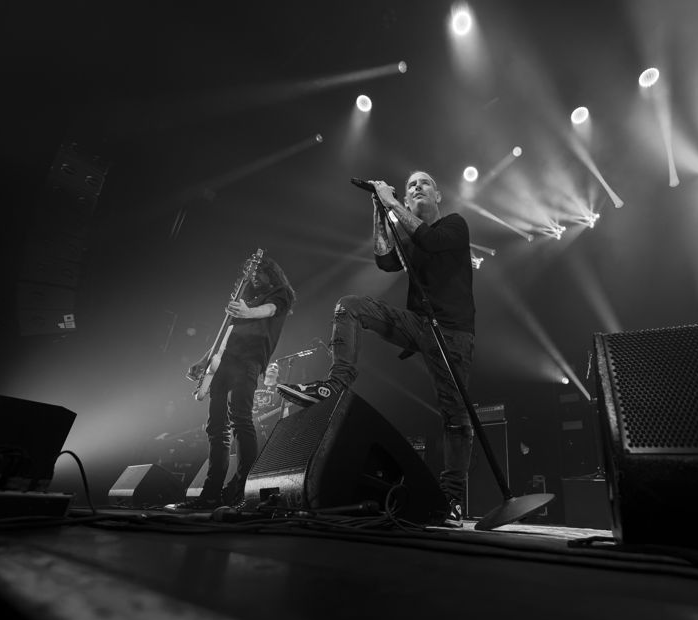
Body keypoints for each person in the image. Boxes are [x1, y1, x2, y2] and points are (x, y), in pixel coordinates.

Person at [277, 170, 475, 525]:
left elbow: (429, 240)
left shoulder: (455, 226)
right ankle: (335, 385)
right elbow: (385, 260)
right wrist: (378, 209)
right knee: (350, 305)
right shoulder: (410, 233)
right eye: (411, 184)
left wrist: (393, 201)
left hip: (454, 332)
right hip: (419, 325)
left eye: (424, 182)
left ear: (439, 195)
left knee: (456, 418)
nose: (416, 187)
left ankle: (454, 500)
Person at [166, 254, 295, 511]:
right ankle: (210, 495)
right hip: (223, 362)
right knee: (216, 428)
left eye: (259, 273)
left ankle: (241, 492)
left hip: (249, 361)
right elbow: (225, 331)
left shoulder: (281, 293)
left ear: (271, 272)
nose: (255, 278)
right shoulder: (245, 295)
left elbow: (270, 310)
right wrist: (204, 361)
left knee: (241, 421)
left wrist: (248, 312)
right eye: (251, 274)